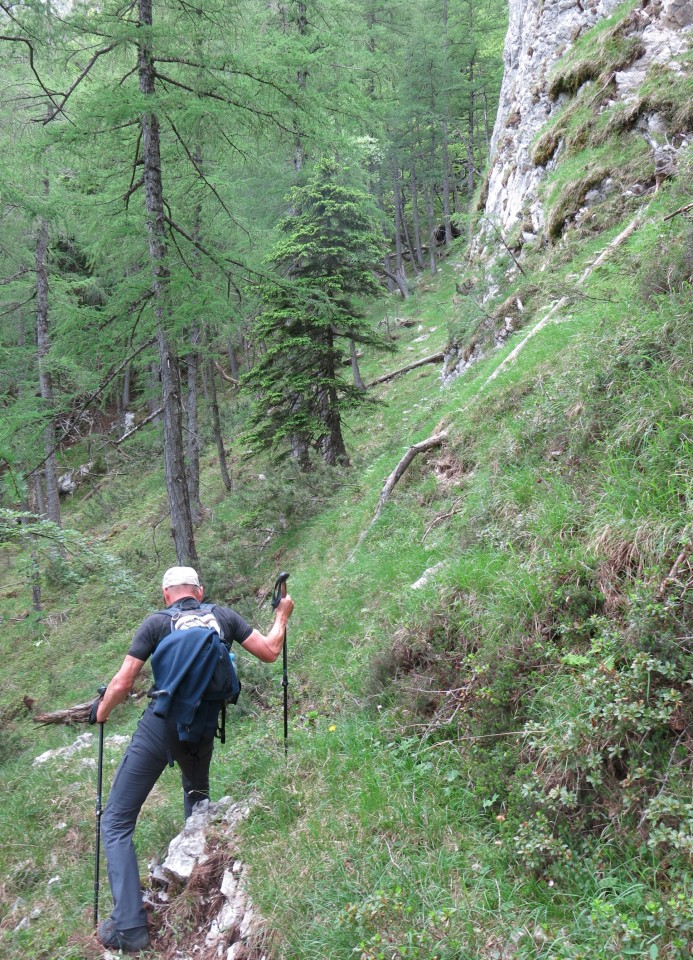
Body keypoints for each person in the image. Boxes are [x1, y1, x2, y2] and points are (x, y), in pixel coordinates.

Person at [91, 565, 294, 953]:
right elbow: (269, 651)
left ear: (167, 595)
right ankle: (199, 880)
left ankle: (130, 928)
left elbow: (123, 683)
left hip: (160, 728)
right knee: (197, 795)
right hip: (201, 730)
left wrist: (99, 712)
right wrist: (281, 615)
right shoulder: (223, 617)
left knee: (116, 820)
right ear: (199, 592)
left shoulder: (156, 623)